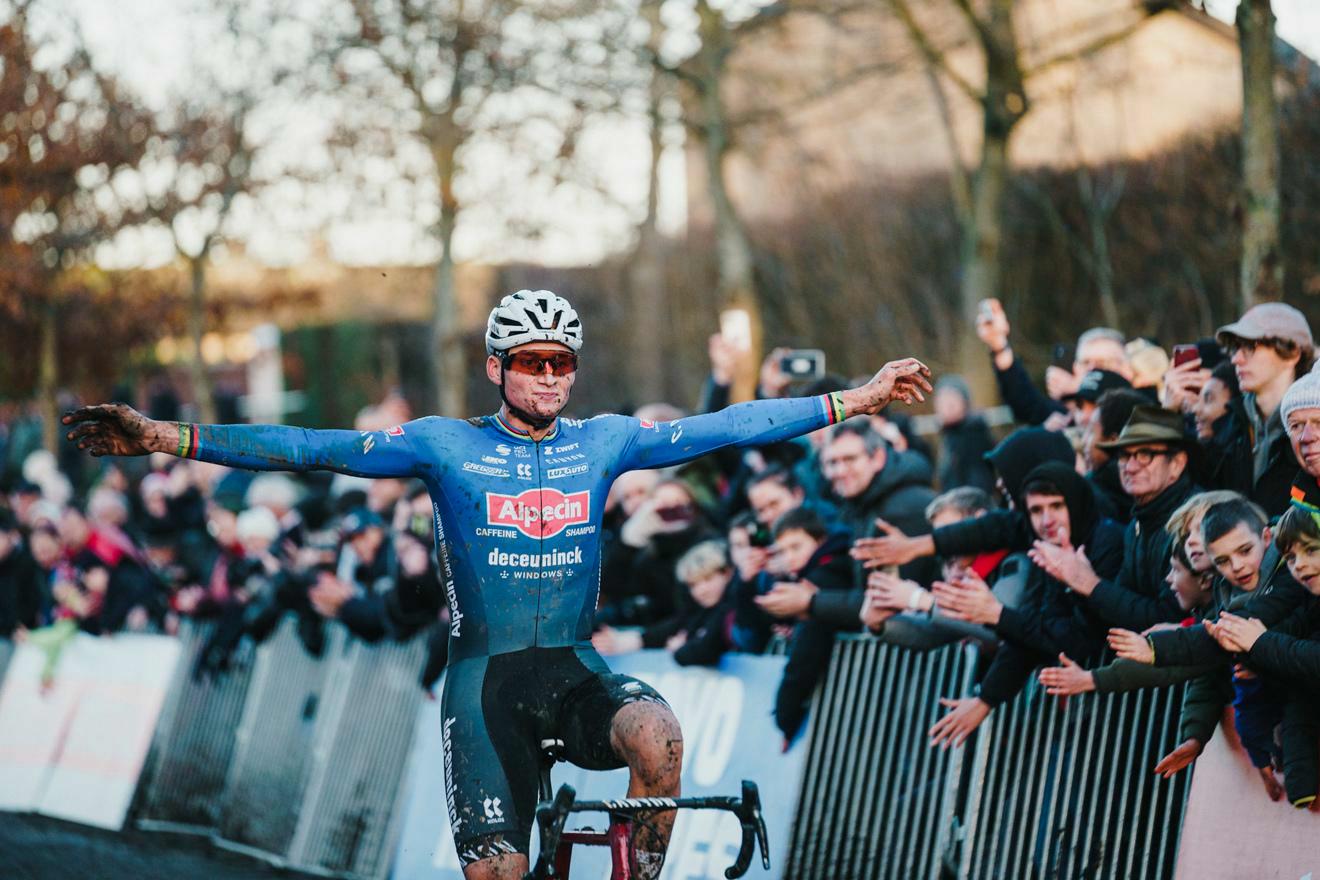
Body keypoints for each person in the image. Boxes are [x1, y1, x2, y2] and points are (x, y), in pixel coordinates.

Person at [64, 288, 932, 880]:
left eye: (564, 363)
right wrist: (166, 438)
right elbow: (312, 447)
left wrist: (854, 400)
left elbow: (727, 427)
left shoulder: (605, 441)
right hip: (485, 690)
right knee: (499, 872)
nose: (551, 377)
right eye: (533, 361)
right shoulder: (443, 445)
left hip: (574, 668)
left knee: (660, 739)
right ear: (496, 366)